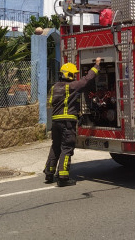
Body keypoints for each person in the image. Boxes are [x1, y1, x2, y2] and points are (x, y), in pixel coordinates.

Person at [44, 56, 102, 187]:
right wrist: (97, 65)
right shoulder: (72, 86)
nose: (75, 77)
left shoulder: (54, 88)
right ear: (69, 75)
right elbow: (87, 80)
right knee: (66, 148)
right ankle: (63, 177)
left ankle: (49, 173)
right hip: (67, 123)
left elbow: (51, 102)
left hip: (55, 122)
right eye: (73, 74)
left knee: (55, 146)